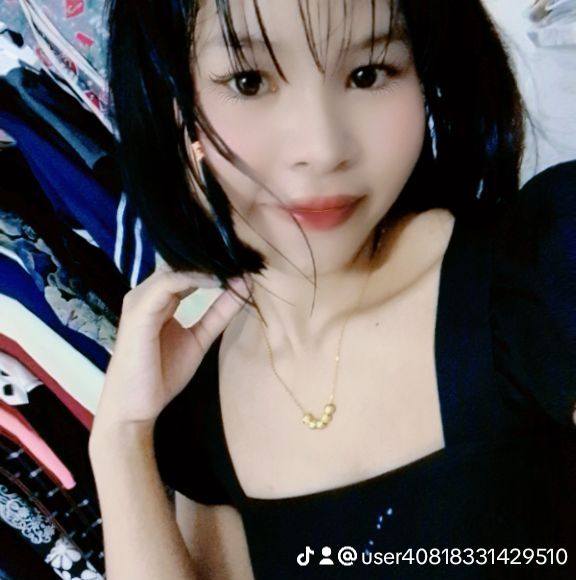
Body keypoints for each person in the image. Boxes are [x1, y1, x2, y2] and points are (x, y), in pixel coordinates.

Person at [88, 0, 576, 578]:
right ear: (173, 109)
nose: (322, 150)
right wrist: (119, 442)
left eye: (367, 74)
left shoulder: (547, 263)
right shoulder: (196, 410)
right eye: (249, 82)